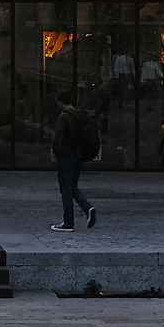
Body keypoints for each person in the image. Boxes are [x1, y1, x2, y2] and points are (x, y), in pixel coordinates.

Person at [49, 89, 98, 231]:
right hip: (79, 156)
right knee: (73, 186)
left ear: (60, 102)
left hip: (66, 157)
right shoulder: (81, 115)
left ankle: (68, 222)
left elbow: (58, 138)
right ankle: (88, 209)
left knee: (66, 189)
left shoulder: (64, 117)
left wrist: (55, 153)